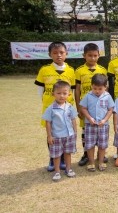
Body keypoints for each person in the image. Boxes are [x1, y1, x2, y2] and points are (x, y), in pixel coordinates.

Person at [35, 41, 76, 172]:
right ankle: (53, 159)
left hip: (66, 109)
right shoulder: (44, 70)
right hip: (51, 109)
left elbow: (73, 90)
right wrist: (46, 103)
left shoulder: (70, 70)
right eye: (55, 53)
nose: (58, 55)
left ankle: (63, 159)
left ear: (66, 54)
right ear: (50, 54)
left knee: (65, 134)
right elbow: (40, 90)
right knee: (52, 134)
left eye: (61, 52)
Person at [74, 43, 108, 166]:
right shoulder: (79, 71)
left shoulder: (103, 70)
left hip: (100, 108)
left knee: (101, 131)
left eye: (95, 55)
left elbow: (106, 89)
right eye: (90, 55)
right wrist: (78, 107)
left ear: (99, 56)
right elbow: (77, 90)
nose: (92, 58)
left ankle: (101, 155)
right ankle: (86, 154)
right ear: (84, 56)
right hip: (86, 108)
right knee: (86, 131)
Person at [42, 81, 78, 181]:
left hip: (69, 135)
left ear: (69, 94)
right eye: (58, 93)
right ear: (53, 94)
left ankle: (68, 169)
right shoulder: (50, 109)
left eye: (64, 93)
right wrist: (49, 136)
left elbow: (73, 119)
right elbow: (48, 122)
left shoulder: (70, 107)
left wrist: (75, 132)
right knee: (56, 155)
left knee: (68, 153)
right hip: (56, 136)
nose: (61, 96)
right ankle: (57, 172)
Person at [79, 74, 115, 171]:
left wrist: (104, 120)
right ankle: (91, 162)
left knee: (102, 145)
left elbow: (110, 109)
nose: (97, 91)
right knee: (90, 144)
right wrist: (89, 118)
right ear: (91, 86)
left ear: (105, 87)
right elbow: (83, 108)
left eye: (100, 89)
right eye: (95, 88)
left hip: (103, 126)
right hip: (90, 125)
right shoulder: (88, 96)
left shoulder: (108, 96)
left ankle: (100, 161)